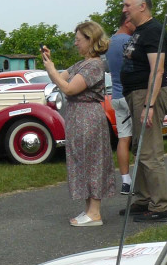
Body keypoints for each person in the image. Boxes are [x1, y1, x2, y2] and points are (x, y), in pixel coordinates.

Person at [42, 21, 118, 226]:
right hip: (78, 117)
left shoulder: (94, 65)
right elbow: (60, 76)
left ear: (90, 40)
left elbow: (68, 88)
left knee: (91, 161)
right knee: (82, 161)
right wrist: (49, 63)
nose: (75, 44)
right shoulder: (81, 64)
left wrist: (52, 70)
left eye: (78, 40)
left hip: (88, 118)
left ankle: (95, 213)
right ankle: (89, 210)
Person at [120, 0, 167, 222]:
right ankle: (143, 199)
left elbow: (158, 69)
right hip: (137, 94)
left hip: (147, 95)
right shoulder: (141, 31)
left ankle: (161, 206)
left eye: (127, 5)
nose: (124, 10)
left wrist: (149, 106)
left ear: (142, 6)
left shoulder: (153, 31)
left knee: (150, 151)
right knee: (139, 149)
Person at [106, 13, 135, 195]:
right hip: (131, 95)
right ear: (126, 21)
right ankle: (143, 179)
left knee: (123, 139)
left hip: (116, 95)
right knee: (140, 140)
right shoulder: (132, 41)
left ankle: (125, 180)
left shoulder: (108, 43)